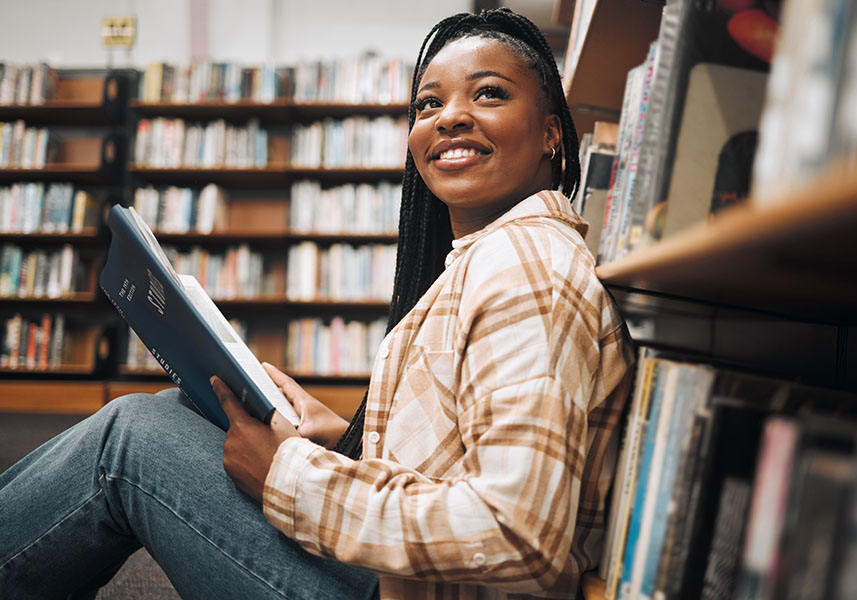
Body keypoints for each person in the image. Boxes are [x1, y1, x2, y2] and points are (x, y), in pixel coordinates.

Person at [0, 8, 633, 599]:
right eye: (429, 102)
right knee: (176, 408)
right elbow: (465, 454)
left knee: (129, 438)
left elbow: (518, 531)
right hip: (400, 577)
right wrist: (344, 440)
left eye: (488, 93)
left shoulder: (527, 269)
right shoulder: (496, 256)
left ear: (552, 132)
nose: (450, 117)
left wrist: (291, 476)